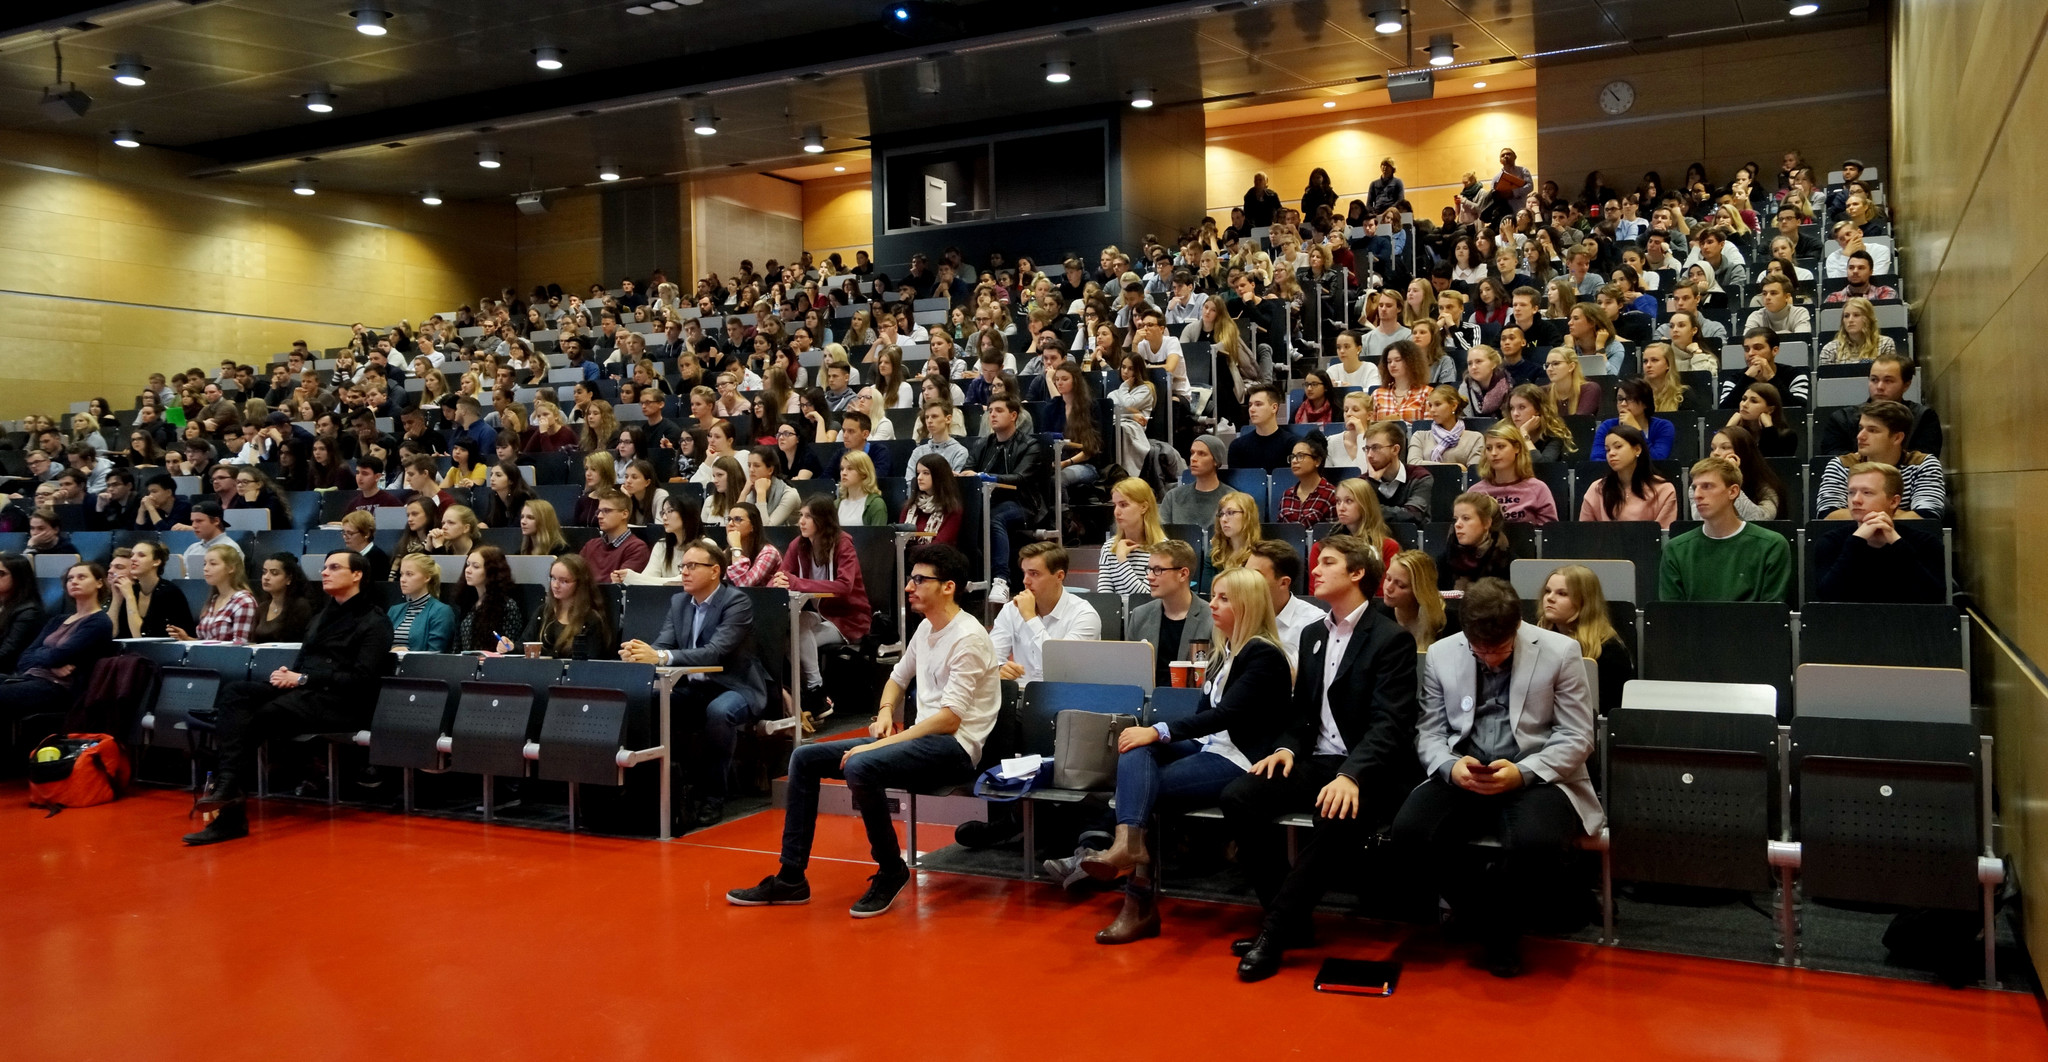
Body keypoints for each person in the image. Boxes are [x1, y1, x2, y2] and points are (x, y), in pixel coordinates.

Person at [725, 543, 999, 918]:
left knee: (860, 764)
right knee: (804, 757)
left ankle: (891, 869)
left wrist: (876, 746)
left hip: (955, 750)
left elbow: (949, 720)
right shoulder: (926, 628)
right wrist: (885, 711)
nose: (909, 586)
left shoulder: (969, 637)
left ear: (948, 587)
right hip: (923, 740)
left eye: (920, 580)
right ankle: (791, 878)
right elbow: (897, 678)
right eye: (911, 578)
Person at [1221, 534, 1418, 980]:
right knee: (1239, 796)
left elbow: (1391, 725)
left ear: (1357, 573)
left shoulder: (1391, 639)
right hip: (1318, 760)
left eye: (1328, 562)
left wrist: (1352, 775)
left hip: (1370, 768)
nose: (1315, 569)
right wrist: (1285, 749)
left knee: (1334, 816)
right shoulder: (1313, 635)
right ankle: (1291, 921)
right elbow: (1302, 713)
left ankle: (1275, 933)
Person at [1396, 577, 1601, 978]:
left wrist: (1522, 773)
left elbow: (1577, 735)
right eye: (1480, 650)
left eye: (1500, 649)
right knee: (1409, 832)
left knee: (1537, 843)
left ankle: (1499, 934)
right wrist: (1449, 766)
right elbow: (1430, 731)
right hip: (1465, 767)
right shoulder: (1441, 653)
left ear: (1517, 627)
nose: (1490, 659)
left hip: (1539, 771)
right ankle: (1487, 920)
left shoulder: (1560, 651)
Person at [1082, 566, 1294, 944]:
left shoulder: (1265, 654)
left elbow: (1225, 716)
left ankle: (1135, 892)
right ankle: (1129, 846)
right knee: (1137, 747)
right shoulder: (1224, 650)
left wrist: (1159, 729)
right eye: (1213, 596)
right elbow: (1204, 717)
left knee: (1144, 788)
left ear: (1247, 605)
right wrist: (1153, 735)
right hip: (1211, 746)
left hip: (1239, 758)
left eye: (1224, 598)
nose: (1212, 604)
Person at [185, 551, 393, 845]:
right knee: (236, 693)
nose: (324, 572)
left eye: (334, 567)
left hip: (342, 704)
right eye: (324, 567)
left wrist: (303, 679)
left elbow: (362, 680)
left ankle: (228, 802)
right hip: (306, 694)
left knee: (256, 717)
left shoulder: (375, 621)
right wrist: (288, 674)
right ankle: (228, 788)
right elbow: (304, 662)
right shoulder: (321, 616)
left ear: (357, 575)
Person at [619, 538, 774, 827]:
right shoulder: (679, 602)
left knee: (719, 712)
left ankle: (713, 797)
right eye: (683, 566)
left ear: (715, 571)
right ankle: (650, 788)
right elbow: (663, 644)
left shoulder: (736, 602)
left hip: (736, 687)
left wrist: (659, 656)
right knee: (646, 701)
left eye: (692, 566)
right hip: (694, 689)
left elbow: (714, 652)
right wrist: (640, 653)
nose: (685, 572)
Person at [773, 499, 872, 706]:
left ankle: (815, 691)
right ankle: (809, 692)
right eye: (800, 515)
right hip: (819, 613)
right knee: (792, 630)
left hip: (847, 618)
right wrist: (780, 581)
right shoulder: (798, 544)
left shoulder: (843, 544)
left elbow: (844, 586)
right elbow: (781, 576)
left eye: (808, 516)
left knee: (795, 639)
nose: (801, 521)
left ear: (823, 520)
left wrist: (796, 582)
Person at [1660, 457, 1793, 602]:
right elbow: (1672, 612)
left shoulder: (1771, 545)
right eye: (1694, 488)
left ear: (1733, 492)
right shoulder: (1675, 549)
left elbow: (1771, 611)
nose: (1697, 495)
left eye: (1707, 486)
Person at [0, 562, 114, 730]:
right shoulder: (58, 620)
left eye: (81, 577)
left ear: (99, 583)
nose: (74, 581)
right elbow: (24, 658)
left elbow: (60, 655)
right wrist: (52, 664)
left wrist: (46, 657)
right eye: (70, 578)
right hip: (31, 678)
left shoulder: (99, 622)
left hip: (59, 688)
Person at [1814, 463, 1946, 604]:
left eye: (1867, 492)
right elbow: (1827, 597)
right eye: (1851, 492)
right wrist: (1856, 541)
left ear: (1893, 501)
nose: (1855, 500)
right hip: (1848, 618)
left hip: (1908, 618)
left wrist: (1897, 543)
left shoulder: (1925, 543)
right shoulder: (1831, 542)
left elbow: (1934, 598)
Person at [962, 396, 1048, 604]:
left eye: (999, 410)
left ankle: (1001, 579)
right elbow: (967, 470)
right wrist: (967, 475)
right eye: (990, 410)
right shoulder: (983, 444)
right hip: (986, 502)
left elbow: (1020, 478)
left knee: (995, 519)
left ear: (1013, 415)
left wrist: (984, 477)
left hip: (1022, 504)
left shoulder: (1030, 445)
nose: (992, 414)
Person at [991, 542, 1102, 687]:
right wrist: (1000, 668)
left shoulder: (1084, 615)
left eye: (1034, 574)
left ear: (1059, 576)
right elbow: (989, 656)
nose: (1025, 581)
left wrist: (1031, 618)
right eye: (1024, 573)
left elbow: (1062, 666)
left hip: (1066, 694)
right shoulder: (1011, 610)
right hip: (1022, 694)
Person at [1816, 400, 1947, 521]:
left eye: (1872, 430)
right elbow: (1828, 515)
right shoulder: (1841, 465)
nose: (1860, 436)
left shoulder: (1923, 464)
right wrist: (1894, 514)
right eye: (1861, 428)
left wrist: (1859, 514)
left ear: (1897, 438)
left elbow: (1927, 517)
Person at [1537, 565, 1635, 713]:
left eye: (1562, 594)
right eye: (1547, 591)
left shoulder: (1610, 651)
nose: (1550, 598)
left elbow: (1607, 711)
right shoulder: (1535, 639)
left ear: (1585, 602)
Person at [1127, 539, 1214, 689]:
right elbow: (1130, 673)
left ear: (1183, 574)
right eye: (1149, 569)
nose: (1149, 576)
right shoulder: (1140, 615)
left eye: (1158, 570)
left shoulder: (1211, 618)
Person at [1817, 353, 1942, 456]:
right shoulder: (1842, 418)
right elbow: (1834, 460)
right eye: (1874, 380)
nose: (1879, 387)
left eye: (1888, 381)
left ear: (1906, 385)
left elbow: (1923, 460)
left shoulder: (1924, 417)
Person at [500, 554, 616, 660]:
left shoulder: (590, 619)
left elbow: (590, 660)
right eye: (553, 578)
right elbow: (524, 644)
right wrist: (511, 647)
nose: (555, 585)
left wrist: (546, 655)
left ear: (580, 584)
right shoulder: (544, 611)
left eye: (564, 581)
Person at [1580, 424, 1679, 528]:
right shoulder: (1597, 489)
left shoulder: (1663, 490)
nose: (1611, 453)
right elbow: (1584, 532)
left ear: (1637, 449)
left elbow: (1663, 534)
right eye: (1607, 450)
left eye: (1618, 447)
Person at [1244, 539, 1327, 663]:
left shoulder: (1313, 623)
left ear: (1284, 583)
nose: (1245, 581)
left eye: (1255, 576)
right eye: (1245, 573)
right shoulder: (1237, 614)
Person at [1467, 423, 1558, 525]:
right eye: (1489, 448)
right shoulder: (1475, 492)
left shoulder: (1538, 489)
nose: (1493, 453)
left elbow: (1549, 531)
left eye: (1500, 446)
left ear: (1517, 448)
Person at [165, 544, 256, 645]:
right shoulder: (214, 599)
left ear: (231, 568)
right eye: (205, 564)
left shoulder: (244, 602)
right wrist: (187, 639)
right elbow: (206, 642)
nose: (206, 568)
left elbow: (241, 645)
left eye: (213, 564)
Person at [1437, 492, 1518, 590]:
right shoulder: (1443, 561)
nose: (1457, 524)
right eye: (1456, 519)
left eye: (1466, 518)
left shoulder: (1508, 563)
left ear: (1486, 523)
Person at [1098, 479, 1166, 595]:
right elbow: (1105, 597)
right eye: (1115, 505)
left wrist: (1122, 560)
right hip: (1116, 607)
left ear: (1143, 507)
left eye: (1123, 505)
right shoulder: (1109, 547)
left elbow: (1144, 598)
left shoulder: (1162, 549)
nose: (1116, 512)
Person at [1360, 420, 1434, 525]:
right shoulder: (1362, 482)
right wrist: (1372, 483)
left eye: (1375, 448)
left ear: (1395, 449)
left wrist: (1370, 511)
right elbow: (1357, 514)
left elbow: (1413, 515)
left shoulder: (1420, 477)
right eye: (1367, 448)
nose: (1369, 455)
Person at [1718, 327, 1810, 407]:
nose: (1750, 353)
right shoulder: (1734, 379)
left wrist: (1771, 377)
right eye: (1746, 349)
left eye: (1758, 348)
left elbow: (1799, 409)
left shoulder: (1795, 376)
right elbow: (1724, 410)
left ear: (1774, 351)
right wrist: (1746, 378)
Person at [1593, 378, 1676, 462]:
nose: (1623, 404)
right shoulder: (1607, 426)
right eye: (1620, 399)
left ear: (1645, 403)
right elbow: (1596, 460)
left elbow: (1658, 460)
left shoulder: (1663, 426)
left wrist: (1636, 429)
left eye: (1630, 399)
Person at [387, 552, 456, 652]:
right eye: (401, 574)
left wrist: (407, 653)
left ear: (427, 577)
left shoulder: (441, 611)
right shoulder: (394, 610)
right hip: (392, 661)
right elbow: (380, 644)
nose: (402, 580)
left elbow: (436, 651)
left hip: (419, 662)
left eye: (409, 574)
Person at [579, 489, 651, 582]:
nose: (599, 516)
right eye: (599, 511)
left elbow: (618, 585)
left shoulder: (637, 548)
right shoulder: (591, 545)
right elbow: (574, 575)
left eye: (606, 511)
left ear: (624, 514)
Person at [1382, 550, 1447, 651]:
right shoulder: (1378, 615)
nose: (1388, 588)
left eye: (1400, 585)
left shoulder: (1444, 623)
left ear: (1420, 591)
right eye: (1388, 578)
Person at [1160, 435, 1229, 529]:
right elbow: (1161, 533)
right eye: (1192, 453)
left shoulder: (1231, 498)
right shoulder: (1173, 497)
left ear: (1216, 461)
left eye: (1202, 454)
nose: (1193, 458)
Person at [1407, 386, 1484, 467]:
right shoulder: (1419, 436)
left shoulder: (1475, 438)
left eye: (1437, 404)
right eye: (1430, 405)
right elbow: (1413, 464)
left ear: (1454, 406)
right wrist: (1456, 467)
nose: (1432, 410)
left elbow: (1475, 471)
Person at [1203, 490, 1263, 591]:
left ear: (1248, 516)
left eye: (1230, 513)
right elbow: (1207, 593)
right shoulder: (1214, 555)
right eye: (1221, 514)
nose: (1223, 519)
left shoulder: (1261, 556)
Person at [900, 453, 963, 547]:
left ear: (939, 476)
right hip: (907, 554)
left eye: (926, 473)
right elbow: (899, 539)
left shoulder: (951, 509)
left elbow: (941, 544)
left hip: (937, 555)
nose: (919, 478)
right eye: (918, 473)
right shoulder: (910, 506)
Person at [1227, 384, 1294, 472]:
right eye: (1250, 405)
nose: (1251, 409)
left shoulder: (1292, 444)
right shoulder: (1237, 446)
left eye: (1258, 404)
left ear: (1274, 408)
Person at [250, 552, 314, 644]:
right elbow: (253, 642)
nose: (266, 577)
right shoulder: (262, 608)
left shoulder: (300, 606)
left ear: (289, 579)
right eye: (264, 572)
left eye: (274, 573)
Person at [1276, 432, 1337, 528]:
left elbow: (1336, 532)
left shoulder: (1331, 494)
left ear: (1317, 461)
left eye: (1300, 456)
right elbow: (1280, 531)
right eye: (1292, 457)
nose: (1294, 461)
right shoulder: (1287, 495)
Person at [0, 553, 48, 673]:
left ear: (19, 577)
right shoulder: (3, 605)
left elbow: (7, 653)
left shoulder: (29, 612)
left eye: (1, 574)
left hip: (14, 673)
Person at [1371, 340, 1434, 422]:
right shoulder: (1377, 394)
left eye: (1398, 360)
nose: (1392, 365)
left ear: (1411, 362)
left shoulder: (1426, 393)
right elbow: (1371, 427)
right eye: (1389, 361)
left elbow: (1428, 426)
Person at [724, 502, 782, 587]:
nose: (730, 524)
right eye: (729, 519)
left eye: (737, 519)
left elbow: (743, 585)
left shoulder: (769, 553)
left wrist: (736, 548)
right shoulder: (727, 552)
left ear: (753, 526)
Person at [181, 502, 243, 571]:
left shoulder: (231, 548)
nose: (194, 526)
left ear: (216, 521)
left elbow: (235, 576)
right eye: (192, 521)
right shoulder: (192, 548)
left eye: (199, 521)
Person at [1543, 346, 1602, 416]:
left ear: (1571, 366)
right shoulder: (1542, 392)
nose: (1549, 369)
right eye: (1547, 365)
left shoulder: (1590, 389)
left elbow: (1579, 420)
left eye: (1556, 363)